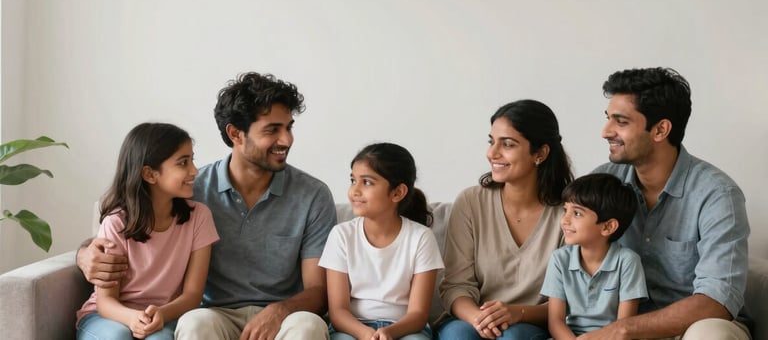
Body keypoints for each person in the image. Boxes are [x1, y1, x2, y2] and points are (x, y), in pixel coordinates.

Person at [77, 72, 337, 340]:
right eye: (273, 130)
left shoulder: (313, 195)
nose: (287, 140)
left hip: (286, 317)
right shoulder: (189, 190)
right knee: (195, 324)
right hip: (214, 314)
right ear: (235, 133)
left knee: (308, 327)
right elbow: (135, 221)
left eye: (289, 127)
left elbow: (318, 289)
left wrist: (279, 311)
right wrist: (84, 254)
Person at [586, 67, 751, 340]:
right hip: (616, 322)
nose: (606, 131)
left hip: (693, 327)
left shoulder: (718, 195)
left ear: (661, 129)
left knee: (709, 335)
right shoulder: (602, 182)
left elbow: (717, 301)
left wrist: (623, 330)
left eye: (621, 122)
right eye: (608, 119)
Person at [435, 99, 575, 340]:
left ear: (540, 153)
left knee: (514, 337)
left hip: (531, 324)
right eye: (491, 142)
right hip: (472, 320)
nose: (492, 153)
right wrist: (481, 319)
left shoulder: (570, 213)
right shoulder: (470, 202)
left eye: (507, 144)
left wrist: (517, 313)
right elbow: (456, 286)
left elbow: (572, 298)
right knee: (458, 334)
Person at [75, 123, 220, 340]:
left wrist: (161, 314)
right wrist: (133, 318)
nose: (194, 171)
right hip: (108, 317)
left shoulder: (199, 217)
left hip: (166, 316)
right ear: (150, 174)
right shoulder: (116, 223)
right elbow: (105, 302)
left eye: (192, 160)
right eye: (183, 163)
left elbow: (192, 295)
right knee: (117, 337)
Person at [319, 142, 445, 340]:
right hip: (352, 328)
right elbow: (338, 311)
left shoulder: (421, 238)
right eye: (353, 180)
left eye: (367, 182)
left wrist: (387, 333)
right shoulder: (341, 235)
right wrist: (366, 334)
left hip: (405, 329)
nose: (355, 191)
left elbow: (418, 314)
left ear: (397, 193)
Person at [540, 173, 647, 339]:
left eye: (577, 214)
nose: (564, 220)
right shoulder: (559, 259)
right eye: (565, 210)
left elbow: (624, 325)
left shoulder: (628, 262)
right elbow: (555, 322)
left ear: (608, 227)